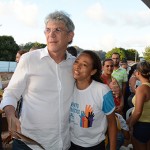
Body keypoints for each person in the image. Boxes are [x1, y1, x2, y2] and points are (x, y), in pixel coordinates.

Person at [0, 10, 75, 150]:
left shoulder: (75, 65)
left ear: (70, 36)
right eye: (48, 30)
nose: (51, 35)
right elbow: (10, 93)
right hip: (28, 143)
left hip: (63, 143)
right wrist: (10, 114)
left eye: (58, 30)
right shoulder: (28, 59)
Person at [70, 51, 117, 150]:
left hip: (95, 146)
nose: (77, 66)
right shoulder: (68, 87)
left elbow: (112, 123)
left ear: (93, 71)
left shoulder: (102, 91)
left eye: (84, 65)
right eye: (76, 62)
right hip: (70, 143)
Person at [127, 61, 150, 150]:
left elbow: (138, 112)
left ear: (138, 73)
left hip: (142, 126)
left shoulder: (142, 88)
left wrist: (130, 125)